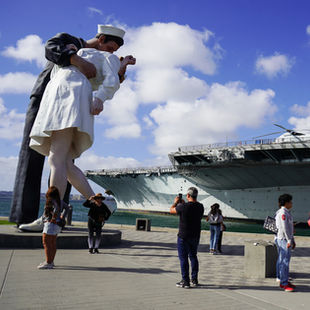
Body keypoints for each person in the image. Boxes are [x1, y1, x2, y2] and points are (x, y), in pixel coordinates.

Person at [9, 25, 132, 225]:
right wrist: (76, 58)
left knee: (56, 159)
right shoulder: (75, 46)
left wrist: (106, 88)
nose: (111, 53)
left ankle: (50, 217)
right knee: (64, 163)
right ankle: (98, 203)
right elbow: (51, 49)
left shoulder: (102, 57)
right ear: (100, 39)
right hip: (54, 97)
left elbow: (109, 81)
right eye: (110, 47)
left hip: (67, 98)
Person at [170, 187, 204, 288]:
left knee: (183, 258)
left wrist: (176, 203)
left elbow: (171, 210)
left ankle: (185, 281)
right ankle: (194, 279)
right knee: (193, 256)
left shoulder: (182, 207)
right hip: (195, 236)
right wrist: (183, 204)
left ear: (188, 195)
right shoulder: (200, 206)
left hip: (183, 236)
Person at [37, 186, 64, 269]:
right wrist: (60, 217)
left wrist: (53, 218)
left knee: (46, 242)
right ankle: (50, 261)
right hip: (56, 225)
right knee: (52, 243)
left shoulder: (51, 201)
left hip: (50, 224)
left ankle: (48, 262)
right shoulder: (59, 201)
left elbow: (55, 209)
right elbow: (66, 208)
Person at [275, 193, 296, 292]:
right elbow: (285, 228)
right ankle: (284, 283)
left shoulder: (283, 212)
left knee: (281, 260)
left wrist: (292, 239)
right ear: (286, 203)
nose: (291, 203)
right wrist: (289, 240)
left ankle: (282, 278)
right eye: (290, 201)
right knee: (285, 262)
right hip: (283, 239)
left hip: (282, 238)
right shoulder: (283, 213)